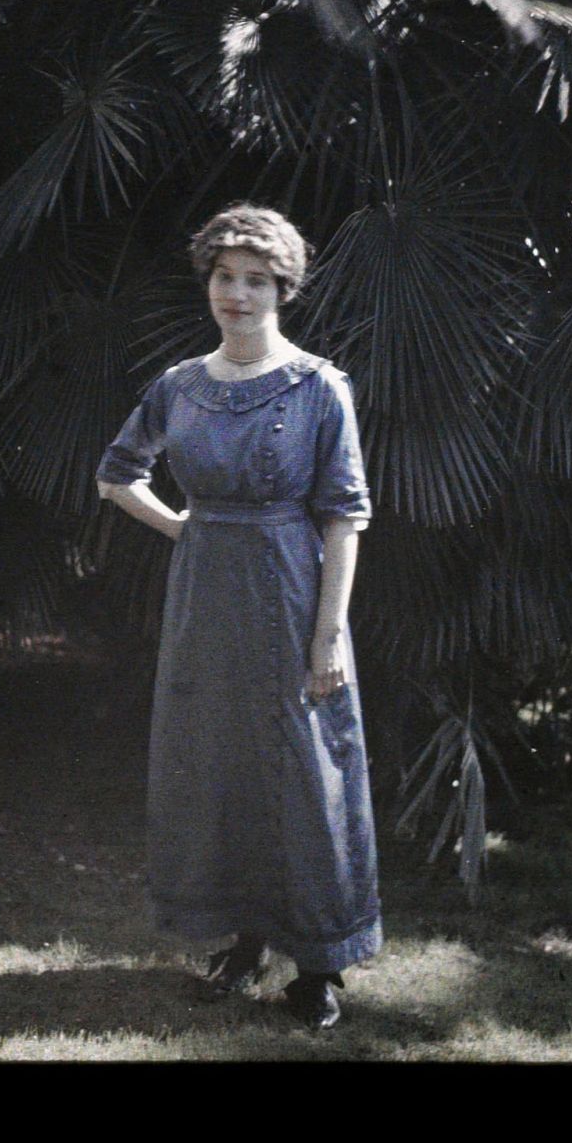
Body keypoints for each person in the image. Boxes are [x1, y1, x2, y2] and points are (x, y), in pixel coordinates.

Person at [95, 202, 381, 1030]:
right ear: (210, 282)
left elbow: (345, 516)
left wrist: (327, 633)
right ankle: (246, 940)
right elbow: (118, 475)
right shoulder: (179, 385)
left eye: (257, 280)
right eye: (226, 277)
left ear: (282, 287)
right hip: (205, 601)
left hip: (293, 595)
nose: (239, 294)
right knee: (220, 762)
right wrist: (185, 526)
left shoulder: (320, 386)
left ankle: (319, 967)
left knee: (302, 766)